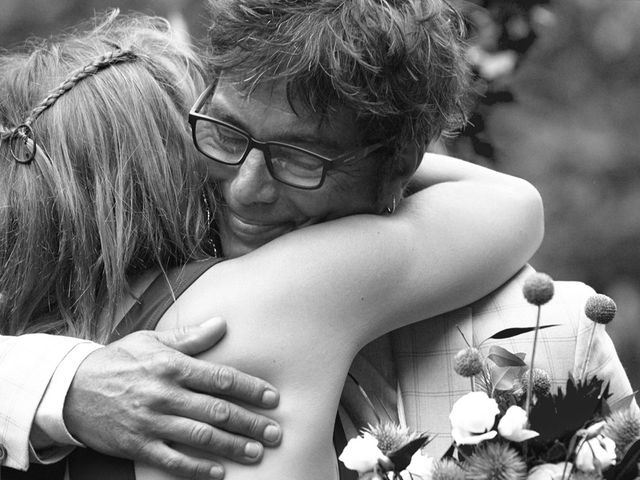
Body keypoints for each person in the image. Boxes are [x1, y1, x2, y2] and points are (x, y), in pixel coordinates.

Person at [0, 7, 546, 480]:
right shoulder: (276, 298)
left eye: (301, 158)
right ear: (167, 159)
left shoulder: (29, 333)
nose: (245, 188)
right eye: (224, 133)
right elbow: (514, 205)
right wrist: (378, 164)